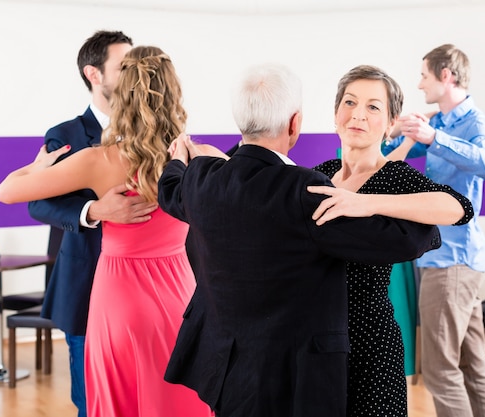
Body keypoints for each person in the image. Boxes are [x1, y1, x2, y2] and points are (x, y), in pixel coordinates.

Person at [156, 63, 440, 417]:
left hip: (225, 369)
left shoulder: (201, 180)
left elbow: (169, 191)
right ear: (295, 123)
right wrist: (424, 228)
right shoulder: (304, 189)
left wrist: (179, 161)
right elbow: (399, 243)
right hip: (291, 374)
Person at [0, 46, 212, 417]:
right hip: (180, 293)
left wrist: (36, 167)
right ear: (174, 95)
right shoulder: (201, 156)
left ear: (121, 96)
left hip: (119, 298)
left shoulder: (97, 160)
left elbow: (5, 192)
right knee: (178, 399)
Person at [307, 64, 474, 417]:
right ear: (336, 113)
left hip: (370, 339)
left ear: (390, 121)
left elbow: (459, 207)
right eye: (349, 102)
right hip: (315, 338)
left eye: (373, 107)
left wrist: (365, 202)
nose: (358, 115)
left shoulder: (393, 175)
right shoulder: (319, 174)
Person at [26, 30, 157, 417]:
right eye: (124, 66)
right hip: (87, 289)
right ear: (94, 74)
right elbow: (39, 202)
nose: (136, 74)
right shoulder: (65, 135)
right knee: (93, 403)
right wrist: (94, 212)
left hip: (148, 293)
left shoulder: (152, 129)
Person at [381, 44, 485, 417]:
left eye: (424, 76)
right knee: (472, 364)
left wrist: (434, 138)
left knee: (439, 370)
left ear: (446, 76)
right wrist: (399, 129)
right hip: (452, 262)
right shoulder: (441, 123)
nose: (419, 85)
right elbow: (389, 155)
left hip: (452, 263)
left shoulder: (473, 123)